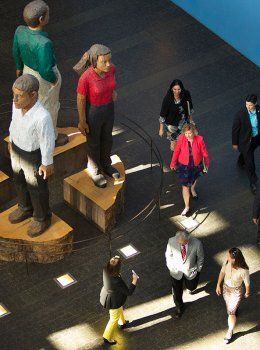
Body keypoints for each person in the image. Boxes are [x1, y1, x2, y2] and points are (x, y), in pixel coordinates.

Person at [12, 0, 68, 146]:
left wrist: (19, 67)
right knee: (49, 106)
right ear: (42, 19)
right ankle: (51, 137)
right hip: (42, 78)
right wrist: (54, 79)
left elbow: (15, 51)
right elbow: (45, 70)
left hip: (26, 71)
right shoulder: (44, 43)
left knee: (31, 105)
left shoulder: (19, 30)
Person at [8, 74, 55, 237]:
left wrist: (47, 162)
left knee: (36, 188)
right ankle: (24, 207)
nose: (14, 99)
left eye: (19, 96)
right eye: (13, 94)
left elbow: (47, 140)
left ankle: (42, 217)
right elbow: (13, 123)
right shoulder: (17, 106)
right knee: (19, 181)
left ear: (33, 95)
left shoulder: (42, 117)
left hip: (33, 157)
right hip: (17, 151)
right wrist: (11, 140)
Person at [76, 44, 119, 188]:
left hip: (108, 109)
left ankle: (106, 164)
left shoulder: (111, 69)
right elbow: (81, 99)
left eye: (109, 60)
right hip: (93, 112)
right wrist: (82, 121)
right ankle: (95, 170)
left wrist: (112, 92)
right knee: (93, 142)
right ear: (94, 61)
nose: (108, 64)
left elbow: (112, 81)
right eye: (104, 61)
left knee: (107, 138)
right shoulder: (86, 77)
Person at [170, 123, 209, 216]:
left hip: (196, 165)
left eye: (190, 133)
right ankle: (187, 206)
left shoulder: (199, 139)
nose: (188, 135)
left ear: (194, 132)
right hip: (184, 166)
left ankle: (193, 189)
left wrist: (206, 165)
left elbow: (205, 153)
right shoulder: (181, 138)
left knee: (194, 179)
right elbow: (177, 151)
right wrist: (173, 163)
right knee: (185, 186)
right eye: (186, 133)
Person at [100, 256, 139, 345]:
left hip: (109, 295)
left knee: (119, 309)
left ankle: (122, 323)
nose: (114, 258)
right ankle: (107, 337)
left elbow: (112, 263)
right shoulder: (116, 280)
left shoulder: (105, 269)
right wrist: (134, 280)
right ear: (117, 268)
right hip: (114, 301)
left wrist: (115, 259)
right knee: (113, 318)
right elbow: (129, 292)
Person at [165, 231, 204, 318]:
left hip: (190, 271)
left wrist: (198, 269)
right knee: (176, 290)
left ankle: (190, 288)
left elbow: (200, 258)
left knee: (191, 287)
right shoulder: (171, 241)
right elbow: (168, 255)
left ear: (188, 239)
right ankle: (179, 307)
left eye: (183, 243)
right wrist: (171, 267)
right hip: (176, 271)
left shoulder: (197, 243)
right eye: (179, 243)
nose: (181, 245)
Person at [216, 248, 250, 344]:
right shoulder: (227, 262)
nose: (227, 258)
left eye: (229, 257)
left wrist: (247, 293)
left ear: (235, 259)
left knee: (231, 312)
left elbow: (247, 283)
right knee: (229, 308)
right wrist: (218, 285)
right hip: (226, 289)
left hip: (236, 291)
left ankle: (230, 331)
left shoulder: (244, 270)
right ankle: (234, 311)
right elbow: (222, 272)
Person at [232, 94, 260, 194]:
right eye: (247, 104)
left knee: (246, 154)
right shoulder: (240, 114)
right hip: (246, 141)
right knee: (250, 163)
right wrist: (235, 143)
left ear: (255, 104)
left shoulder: (258, 110)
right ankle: (253, 182)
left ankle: (241, 159)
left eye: (250, 105)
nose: (248, 107)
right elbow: (235, 130)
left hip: (257, 137)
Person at [159, 79, 194, 151]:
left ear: (181, 88)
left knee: (185, 140)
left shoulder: (186, 94)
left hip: (183, 122)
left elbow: (189, 108)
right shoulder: (167, 99)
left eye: (179, 89)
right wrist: (161, 129)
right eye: (174, 89)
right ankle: (174, 158)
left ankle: (183, 156)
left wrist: (191, 120)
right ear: (172, 89)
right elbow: (162, 115)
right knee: (173, 143)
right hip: (172, 125)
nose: (177, 91)